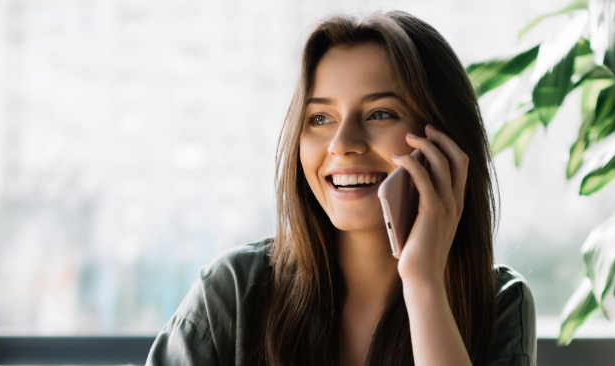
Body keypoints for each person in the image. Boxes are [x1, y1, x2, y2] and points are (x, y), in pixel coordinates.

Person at [146, 10, 535, 366]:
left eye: (380, 113)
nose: (342, 143)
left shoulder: (500, 304)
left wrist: (423, 282)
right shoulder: (230, 292)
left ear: (444, 143)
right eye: (319, 118)